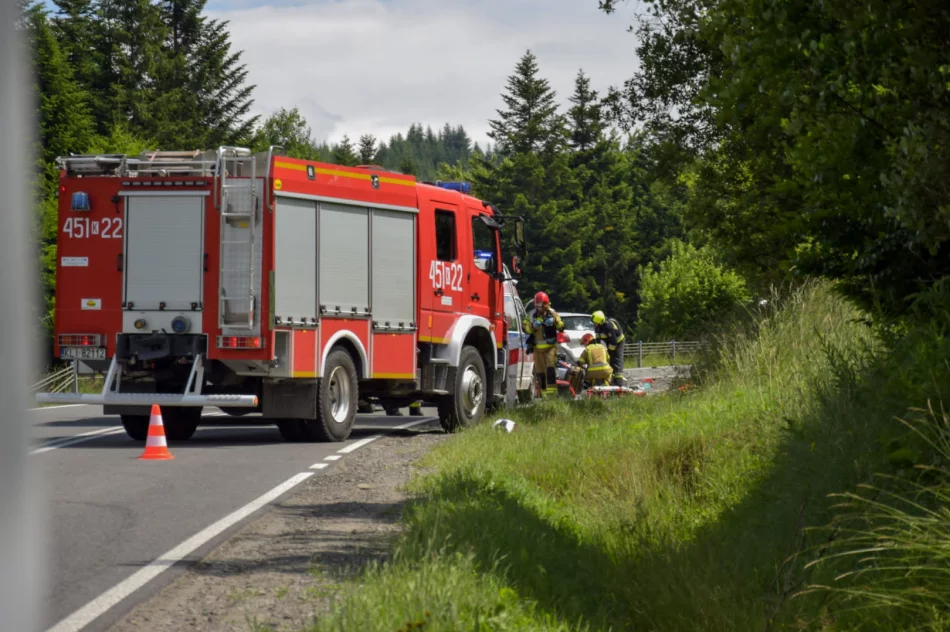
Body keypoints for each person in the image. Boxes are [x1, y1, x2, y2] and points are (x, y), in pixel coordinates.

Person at [523, 291, 564, 398]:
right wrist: (532, 327)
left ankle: (552, 395)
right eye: (537, 306)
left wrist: (554, 321)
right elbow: (525, 328)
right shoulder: (531, 314)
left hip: (550, 347)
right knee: (540, 372)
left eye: (541, 306)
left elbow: (561, 327)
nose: (539, 308)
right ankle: (544, 394)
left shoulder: (552, 313)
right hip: (537, 348)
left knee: (550, 369)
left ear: (546, 304)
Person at [592, 310, 626, 386]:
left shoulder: (608, 326)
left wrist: (609, 352)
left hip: (618, 342)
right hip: (610, 342)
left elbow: (613, 342)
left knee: (616, 360)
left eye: (595, 323)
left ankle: (619, 383)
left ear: (599, 322)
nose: (594, 325)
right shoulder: (598, 327)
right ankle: (611, 381)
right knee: (609, 361)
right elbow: (598, 339)